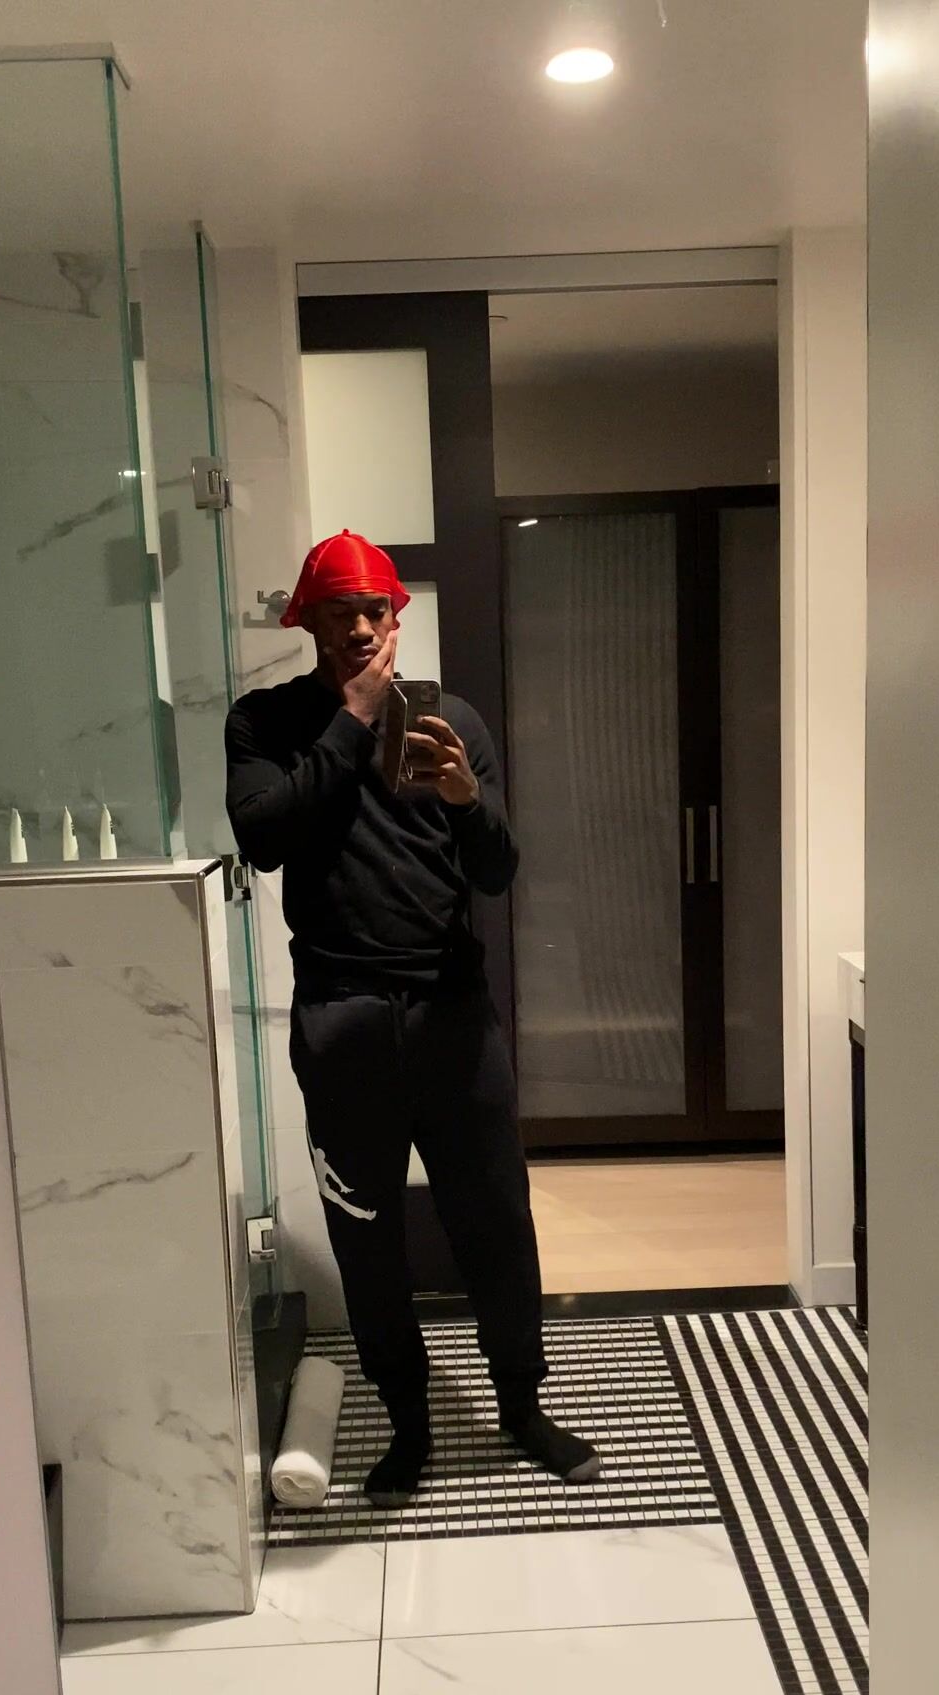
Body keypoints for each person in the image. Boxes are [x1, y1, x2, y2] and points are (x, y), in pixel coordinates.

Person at [224, 530, 601, 1507]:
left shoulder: (452, 719)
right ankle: (408, 1425)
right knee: (368, 1239)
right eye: (339, 611)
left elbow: (498, 871)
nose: (360, 627)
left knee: (496, 1223)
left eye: (374, 610)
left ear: (395, 616)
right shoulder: (266, 722)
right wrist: (352, 719)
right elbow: (262, 838)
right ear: (307, 621)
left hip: (453, 1019)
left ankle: (522, 1408)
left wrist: (469, 801)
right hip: (341, 1023)